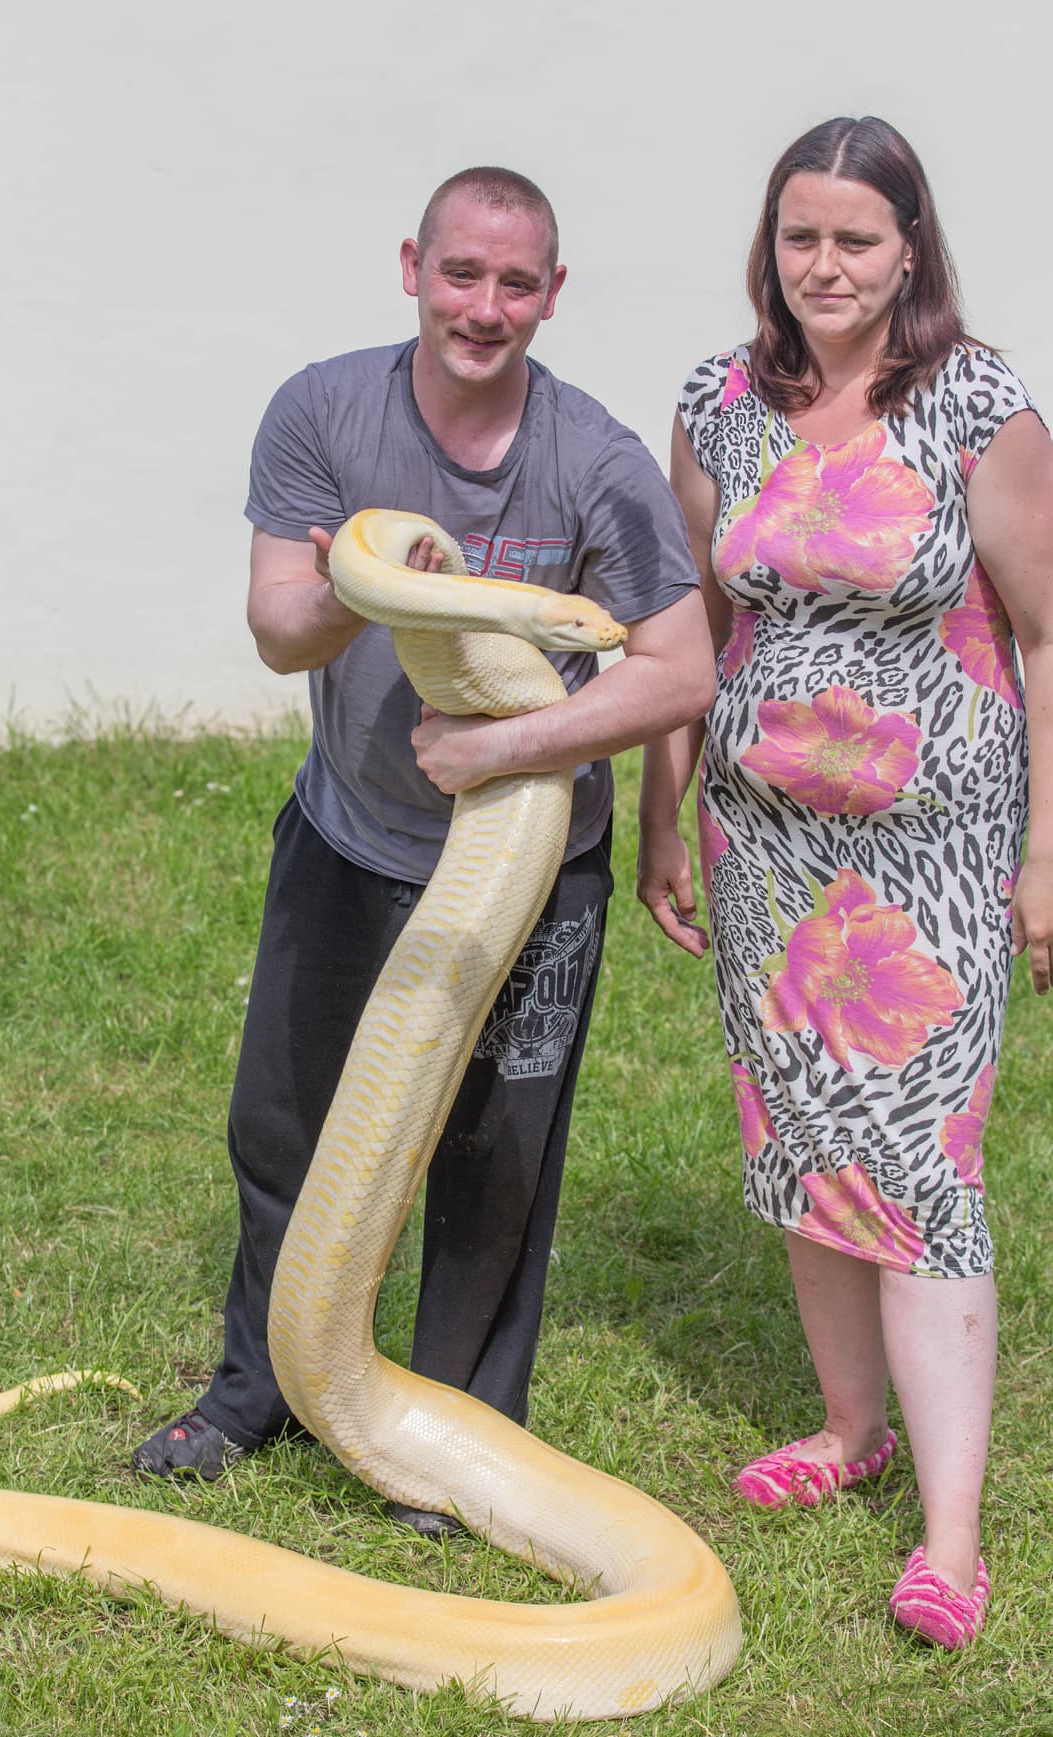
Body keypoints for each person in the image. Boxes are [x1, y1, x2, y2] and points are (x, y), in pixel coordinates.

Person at [133, 166, 716, 1532]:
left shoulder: (598, 460)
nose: (485, 307)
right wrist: (369, 584)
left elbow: (680, 670)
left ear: (552, 294)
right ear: (413, 267)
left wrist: (503, 750)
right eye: (462, 273)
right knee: (284, 1124)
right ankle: (254, 1392)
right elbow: (278, 628)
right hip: (351, 833)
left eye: (516, 283)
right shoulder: (323, 411)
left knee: (499, 1156)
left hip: (533, 863)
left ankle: (456, 1431)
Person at [638, 116, 1053, 1645]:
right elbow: (693, 629)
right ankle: (851, 1429)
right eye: (802, 236)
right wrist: (661, 815)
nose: (824, 265)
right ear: (768, 246)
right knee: (800, 1137)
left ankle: (952, 1541)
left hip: (938, 852)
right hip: (766, 847)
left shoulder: (977, 406)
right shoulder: (717, 406)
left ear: (911, 250)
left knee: (920, 1163)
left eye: (856, 238)